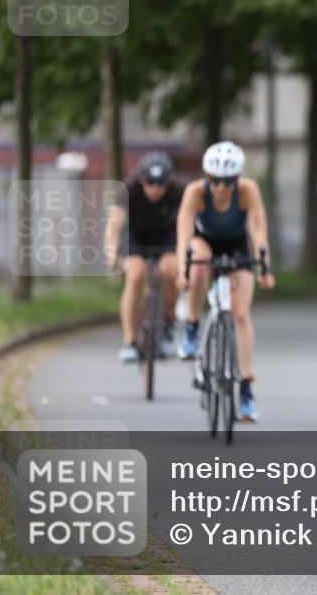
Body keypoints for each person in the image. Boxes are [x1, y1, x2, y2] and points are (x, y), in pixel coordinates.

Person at [175, 141, 276, 422]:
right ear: (207, 178)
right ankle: (193, 325)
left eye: (228, 181)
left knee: (241, 315)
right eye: (215, 180)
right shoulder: (195, 192)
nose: (221, 187)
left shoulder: (247, 191)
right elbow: (183, 234)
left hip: (236, 246)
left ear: (237, 179)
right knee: (198, 264)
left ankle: (245, 389)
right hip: (204, 242)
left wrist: (264, 267)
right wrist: (183, 270)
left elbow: (258, 230)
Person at [105, 151, 183, 363]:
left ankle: (168, 322)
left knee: (171, 271)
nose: (155, 189)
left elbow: (188, 224)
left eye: (161, 183)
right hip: (136, 236)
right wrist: (111, 251)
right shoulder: (127, 190)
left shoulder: (178, 192)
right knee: (136, 275)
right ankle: (130, 340)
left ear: (169, 181)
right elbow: (114, 225)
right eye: (150, 182)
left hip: (166, 236)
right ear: (141, 179)